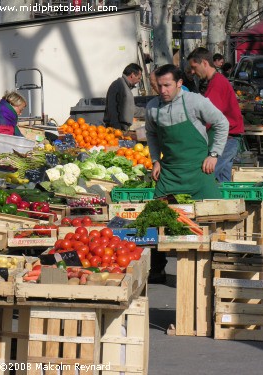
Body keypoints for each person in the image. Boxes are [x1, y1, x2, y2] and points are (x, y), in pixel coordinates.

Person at [145, 64, 229, 283]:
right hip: (170, 172)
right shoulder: (152, 108)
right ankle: (157, 268)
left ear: (179, 83)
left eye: (167, 85)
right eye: (159, 85)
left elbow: (222, 122)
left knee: (212, 215)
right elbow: (151, 135)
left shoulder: (195, 102)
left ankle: (214, 268)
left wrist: (214, 154)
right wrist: (156, 160)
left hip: (199, 170)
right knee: (155, 217)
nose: (162, 90)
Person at [187, 47, 245, 182]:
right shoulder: (216, 81)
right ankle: (229, 202)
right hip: (229, 139)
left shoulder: (217, 84)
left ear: (205, 63)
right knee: (223, 182)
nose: (193, 72)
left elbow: (207, 117)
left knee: (205, 179)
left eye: (194, 67)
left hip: (225, 140)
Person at [103, 63, 143, 131]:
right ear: (132, 75)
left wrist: (146, 111)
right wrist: (116, 129)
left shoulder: (124, 86)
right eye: (138, 78)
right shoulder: (119, 85)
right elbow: (112, 108)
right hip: (116, 128)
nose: (139, 81)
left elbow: (129, 108)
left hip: (121, 128)